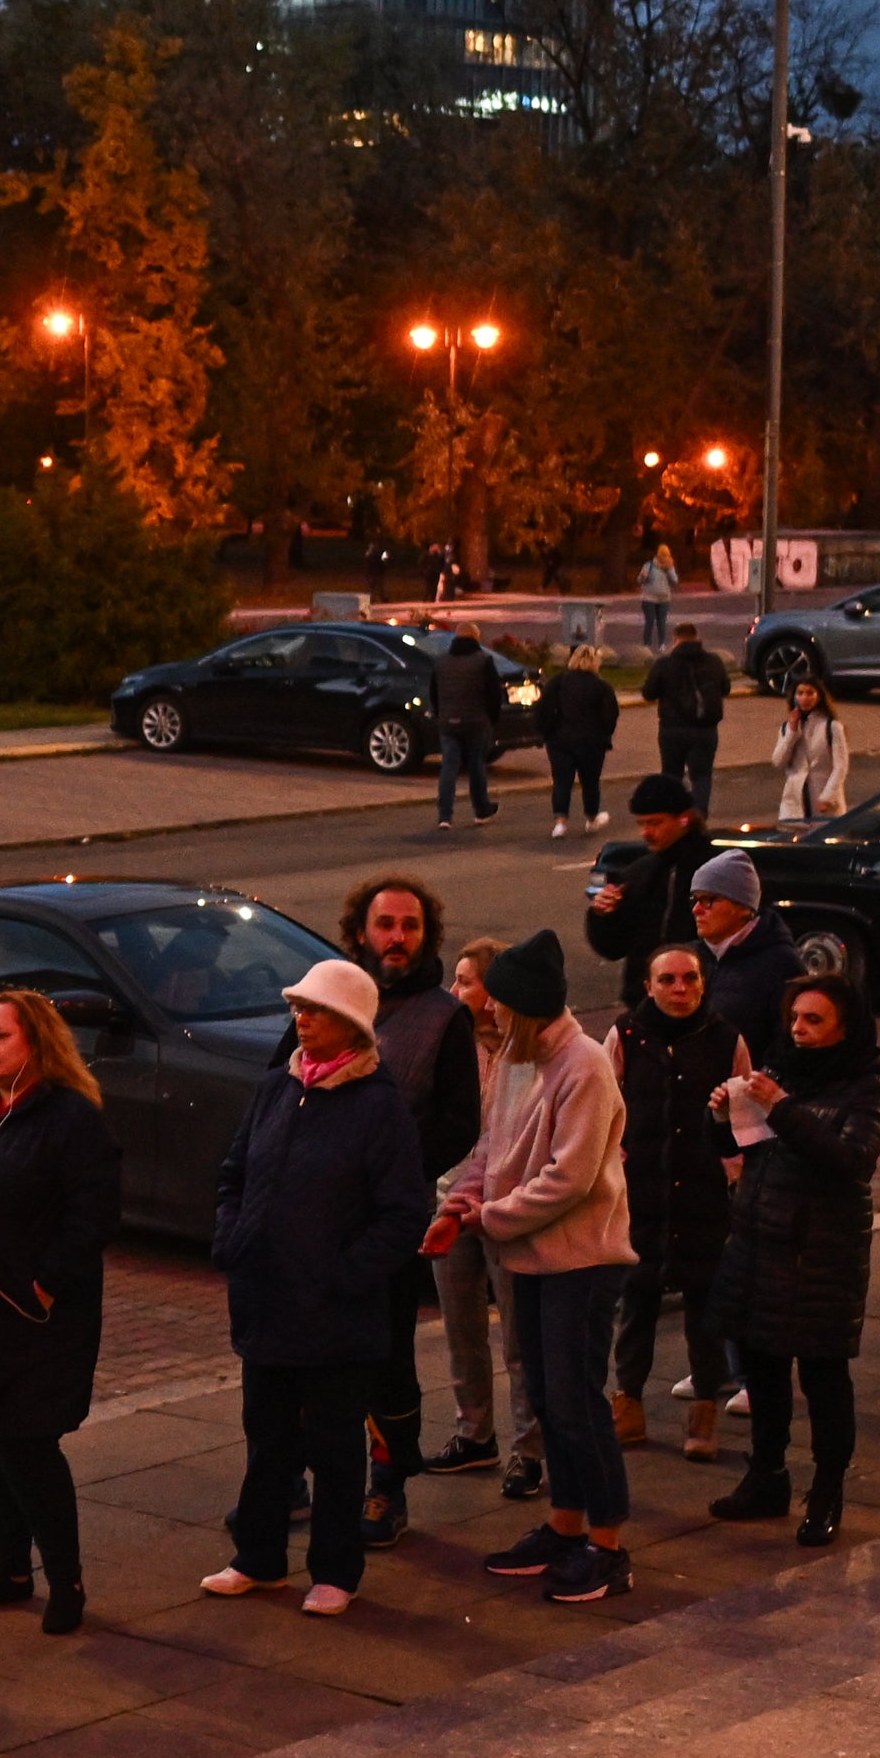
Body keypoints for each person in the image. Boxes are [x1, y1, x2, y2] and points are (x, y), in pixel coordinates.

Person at [205, 960, 433, 1616]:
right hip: (267, 1303)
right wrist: (234, 1239)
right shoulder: (277, 1088)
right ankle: (258, 1557)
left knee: (334, 1448)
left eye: (316, 1010)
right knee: (267, 1438)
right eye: (299, 1007)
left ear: (352, 1026)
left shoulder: (377, 1105)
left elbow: (401, 1215)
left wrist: (343, 1273)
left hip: (336, 1317)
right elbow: (233, 1173)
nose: (302, 1019)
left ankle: (335, 1570)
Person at [445, 933, 638, 1604]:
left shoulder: (582, 1065)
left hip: (581, 1260)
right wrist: (460, 1203)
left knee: (579, 1400)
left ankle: (608, 1545)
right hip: (528, 1255)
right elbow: (491, 1150)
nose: (487, 1010)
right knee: (549, 1398)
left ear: (525, 1005)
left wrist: (491, 1217)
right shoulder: (516, 1058)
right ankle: (564, 1525)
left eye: (497, 999)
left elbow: (572, 1176)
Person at [0, 990, 121, 1635]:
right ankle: (10, 1568)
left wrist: (46, 1284)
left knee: (28, 1443)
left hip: (35, 1314)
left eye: (0, 1036)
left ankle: (67, 1579)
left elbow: (92, 1212)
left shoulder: (69, 1117)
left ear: (37, 1043)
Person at [708, 976, 880, 1545]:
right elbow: (745, 1148)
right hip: (761, 1239)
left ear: (845, 1026)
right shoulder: (779, 1071)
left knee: (823, 1373)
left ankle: (828, 1490)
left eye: (814, 1020)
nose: (799, 1030)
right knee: (761, 1365)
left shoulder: (869, 1084)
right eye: (795, 1019)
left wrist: (780, 1108)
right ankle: (767, 1476)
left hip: (820, 1250)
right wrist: (723, 1118)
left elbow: (851, 1160)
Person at [341, 877, 482, 1538]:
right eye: (385, 924)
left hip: (390, 1222)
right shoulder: (333, 1000)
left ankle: (386, 1488)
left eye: (410, 925)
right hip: (321, 1220)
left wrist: (394, 1164)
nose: (396, 936)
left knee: (386, 1359)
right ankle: (301, 1475)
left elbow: (459, 1123)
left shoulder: (442, 1015)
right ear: (359, 931)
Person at [612, 943, 745, 1467]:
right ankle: (627, 1401)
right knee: (636, 1299)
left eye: (689, 979)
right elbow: (604, 1103)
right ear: (649, 987)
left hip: (702, 1192)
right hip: (641, 1190)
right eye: (667, 980)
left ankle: (705, 1408)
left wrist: (731, 1172)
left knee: (704, 1305)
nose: (680, 989)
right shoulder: (624, 1035)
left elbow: (742, 1116)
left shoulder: (726, 1039)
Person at [438, 940, 547, 1496]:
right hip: (451, 1200)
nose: (455, 992)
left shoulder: (525, 1056)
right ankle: (473, 1432)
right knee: (461, 1327)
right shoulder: (454, 1046)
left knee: (519, 1336)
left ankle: (529, 1450)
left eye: (466, 981)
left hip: (506, 1209)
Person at [583, 776, 715, 1008]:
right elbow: (614, 947)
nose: (646, 832)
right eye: (642, 824)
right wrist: (604, 915)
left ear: (684, 819)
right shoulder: (640, 873)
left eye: (655, 823)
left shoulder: (714, 871)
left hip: (696, 1002)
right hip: (646, 1004)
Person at [686, 851, 804, 1064]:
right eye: (695, 899)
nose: (696, 910)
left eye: (708, 900)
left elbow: (790, 1045)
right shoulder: (689, 956)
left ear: (742, 907)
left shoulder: (780, 965)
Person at [643, 622, 738, 803]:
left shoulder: (664, 664)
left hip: (672, 729)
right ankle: (699, 815)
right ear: (697, 637)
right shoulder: (713, 661)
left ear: (675, 639)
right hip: (705, 729)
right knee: (702, 776)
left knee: (671, 775)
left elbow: (648, 693)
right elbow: (725, 688)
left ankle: (674, 816)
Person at [536, 640, 620, 837]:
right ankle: (591, 818)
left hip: (560, 740)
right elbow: (610, 716)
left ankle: (560, 822)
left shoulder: (558, 682)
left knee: (562, 781)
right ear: (595, 663)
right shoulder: (601, 686)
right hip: (591, 742)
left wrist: (547, 733)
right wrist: (603, 734)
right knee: (590, 781)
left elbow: (543, 710)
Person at [429, 629, 508, 832]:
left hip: (448, 722)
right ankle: (481, 810)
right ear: (475, 637)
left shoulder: (441, 662)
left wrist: (442, 715)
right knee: (476, 766)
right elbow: (494, 694)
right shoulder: (483, 660)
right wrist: (492, 719)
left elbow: (433, 693)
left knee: (449, 767)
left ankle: (444, 815)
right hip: (477, 722)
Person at [768, 675, 851, 822]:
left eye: (810, 693)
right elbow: (778, 761)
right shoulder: (787, 728)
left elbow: (841, 766)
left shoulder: (831, 727)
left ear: (819, 697)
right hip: (795, 804)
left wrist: (828, 796)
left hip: (823, 802)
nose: (805, 698)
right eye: (800, 693)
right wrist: (792, 733)